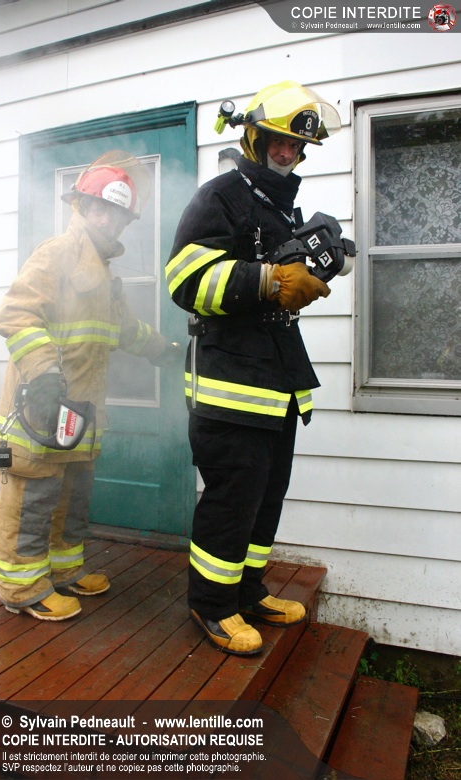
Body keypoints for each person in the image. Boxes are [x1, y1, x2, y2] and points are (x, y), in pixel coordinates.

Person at [165, 81, 341, 655]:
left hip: (276, 386)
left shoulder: (278, 206)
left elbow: (286, 285)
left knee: (266, 497)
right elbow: (184, 281)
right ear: (253, 138)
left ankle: (247, 591)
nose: (287, 153)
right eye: (277, 142)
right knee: (232, 500)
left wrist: (315, 267)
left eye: (296, 146)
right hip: (229, 390)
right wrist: (269, 279)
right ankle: (212, 605)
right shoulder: (220, 196)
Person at [0, 150, 177, 621]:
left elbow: (124, 329)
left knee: (72, 495)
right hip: (41, 404)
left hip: (79, 411)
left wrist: (166, 351)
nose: (108, 220)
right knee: (33, 498)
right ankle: (23, 589)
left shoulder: (103, 272)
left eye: (117, 213)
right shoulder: (57, 253)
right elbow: (15, 314)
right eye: (100, 208)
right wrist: (43, 373)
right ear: (81, 206)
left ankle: (63, 572)